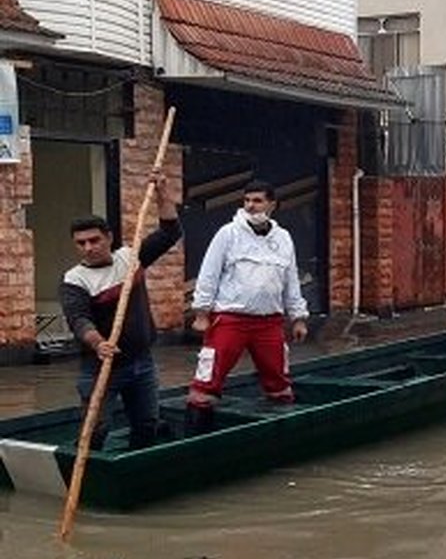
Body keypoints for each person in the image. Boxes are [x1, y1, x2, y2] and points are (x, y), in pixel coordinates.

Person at [60, 173, 182, 451]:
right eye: (81, 243)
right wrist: (98, 343)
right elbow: (78, 320)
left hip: (143, 361)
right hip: (101, 366)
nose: (89, 248)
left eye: (95, 240)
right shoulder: (74, 279)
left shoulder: (130, 258)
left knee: (147, 424)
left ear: (109, 238)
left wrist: (163, 192)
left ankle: (138, 474)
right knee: (95, 430)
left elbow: (170, 232)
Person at [186, 181, 310, 433]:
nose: (251, 206)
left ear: (272, 204)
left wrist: (298, 317)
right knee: (207, 381)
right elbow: (208, 273)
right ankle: (195, 438)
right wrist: (201, 312)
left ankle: (281, 435)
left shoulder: (283, 238)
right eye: (247, 201)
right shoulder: (228, 234)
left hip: (269, 323)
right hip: (231, 320)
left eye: (258, 201)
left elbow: (291, 280)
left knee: (279, 382)